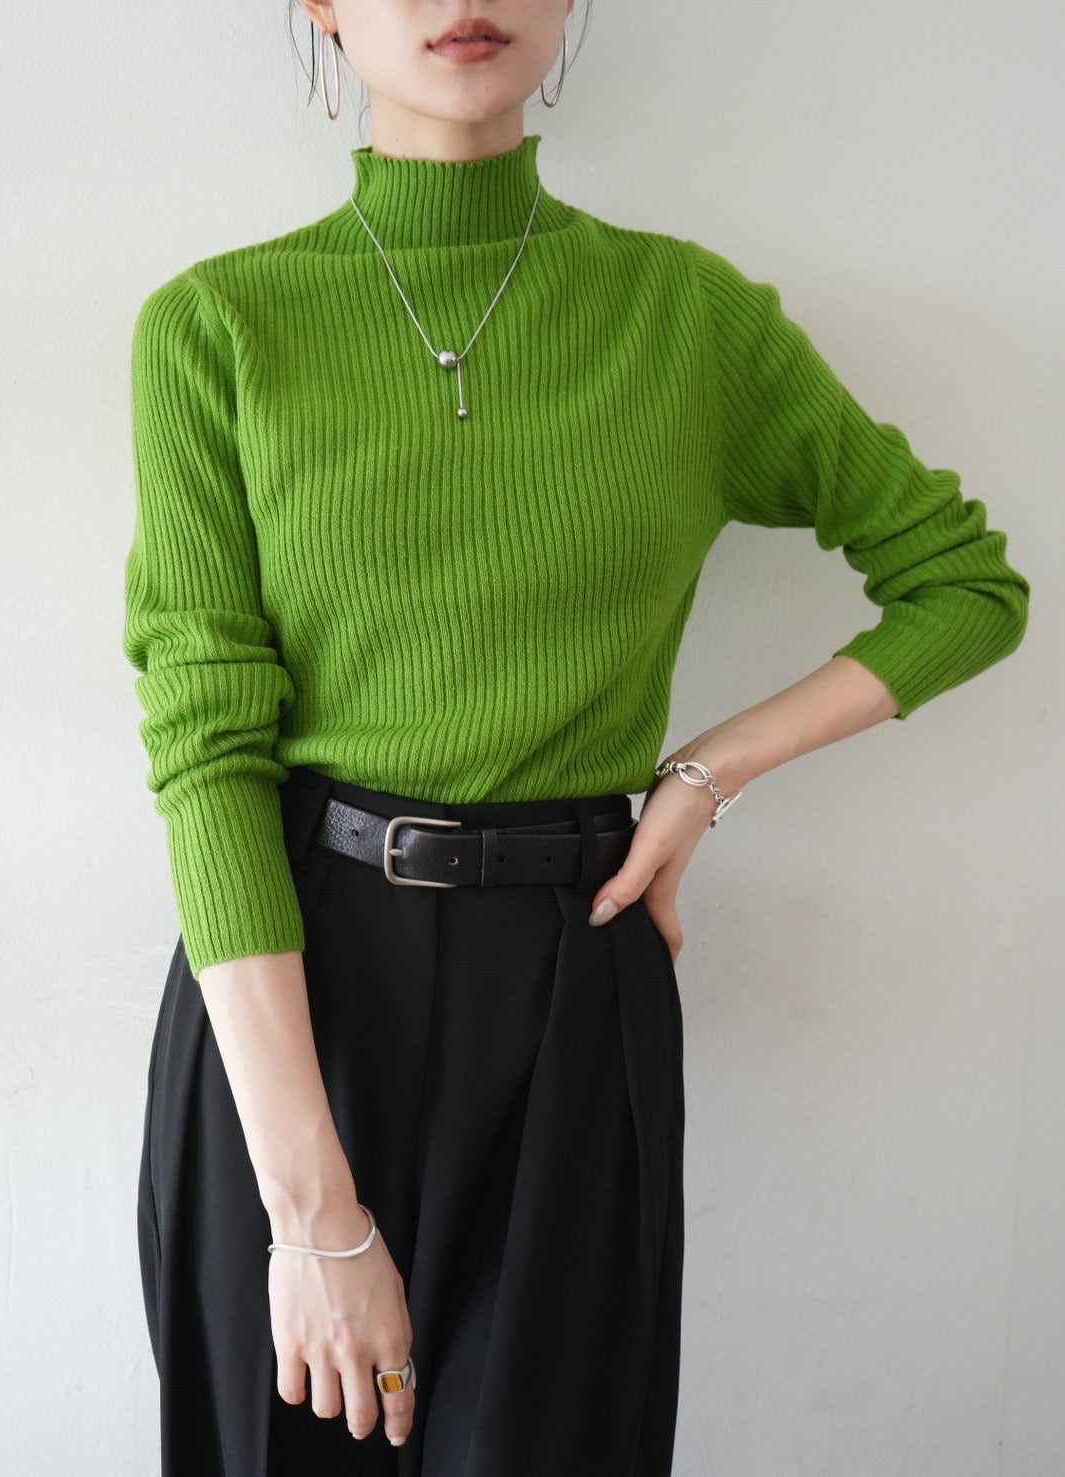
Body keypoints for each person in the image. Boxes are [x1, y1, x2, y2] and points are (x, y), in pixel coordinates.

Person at [121, 2, 1030, 1473]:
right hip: (295, 988)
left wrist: (706, 774)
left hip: (575, 977)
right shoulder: (217, 326)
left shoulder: (687, 319)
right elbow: (207, 750)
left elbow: (963, 587)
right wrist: (313, 1215)